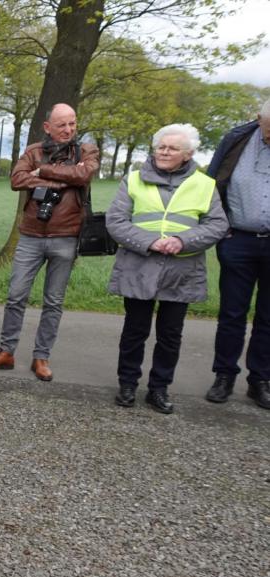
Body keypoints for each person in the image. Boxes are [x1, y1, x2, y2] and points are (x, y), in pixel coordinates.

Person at [105, 124, 228, 414]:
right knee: (135, 329)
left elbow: (218, 224)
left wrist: (181, 240)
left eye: (172, 148)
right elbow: (116, 221)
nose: (164, 152)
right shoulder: (133, 180)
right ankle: (127, 384)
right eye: (160, 146)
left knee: (170, 333)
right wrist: (151, 243)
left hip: (181, 271)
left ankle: (159, 388)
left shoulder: (204, 184)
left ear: (188, 155)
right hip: (140, 265)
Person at [0, 103, 100, 381]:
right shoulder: (33, 151)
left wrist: (43, 173)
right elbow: (16, 179)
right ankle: (6, 352)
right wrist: (60, 177)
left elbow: (84, 174)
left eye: (72, 124)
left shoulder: (86, 151)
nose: (68, 130)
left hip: (67, 237)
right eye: (62, 125)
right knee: (15, 296)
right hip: (31, 236)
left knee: (54, 302)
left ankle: (41, 357)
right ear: (48, 127)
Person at [204, 99, 270, 409]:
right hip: (238, 240)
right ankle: (224, 375)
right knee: (232, 313)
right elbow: (211, 185)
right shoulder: (236, 140)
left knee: (268, 317)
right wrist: (220, 227)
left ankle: (260, 380)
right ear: (259, 119)